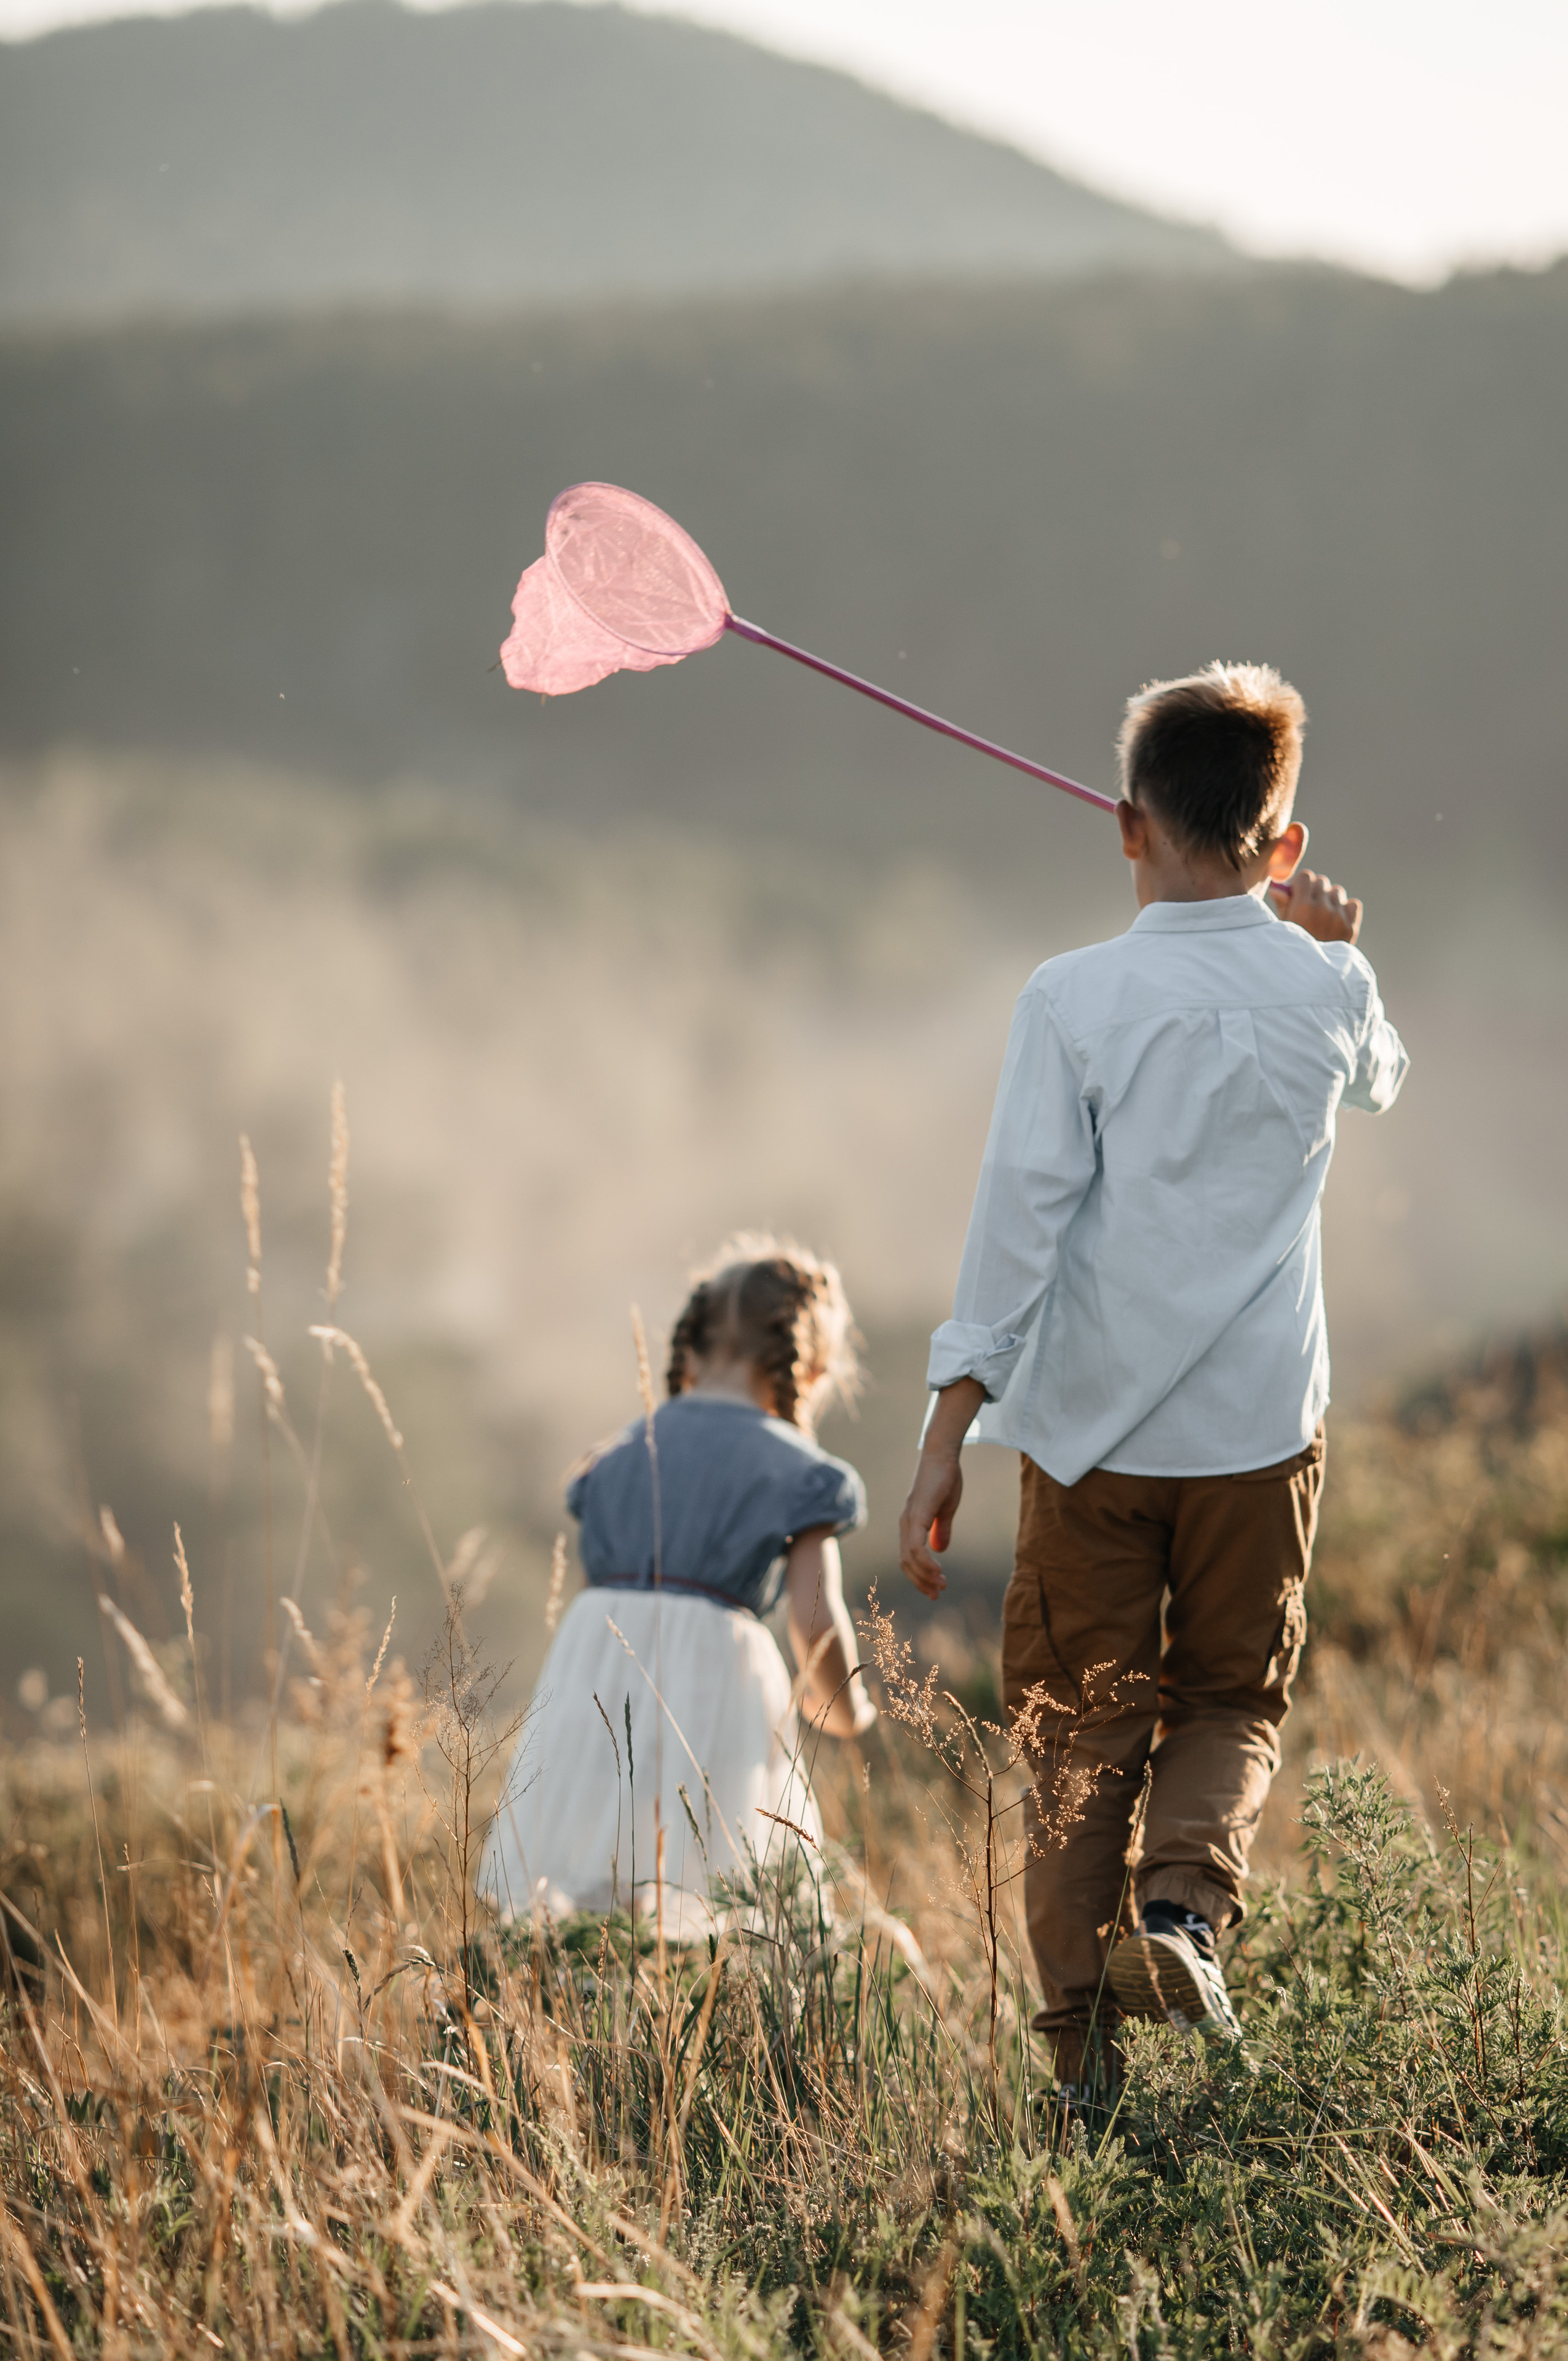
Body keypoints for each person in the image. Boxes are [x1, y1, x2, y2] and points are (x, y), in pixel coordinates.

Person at [898, 662, 1408, 2092]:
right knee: (1228, 1700)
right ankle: (1181, 1908)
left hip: (1090, 1441)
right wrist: (1335, 945)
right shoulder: (1324, 986)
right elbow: (1379, 1073)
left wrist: (946, 1430)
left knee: (1078, 1739)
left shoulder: (1071, 999)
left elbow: (1016, 1222)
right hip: (1258, 1434)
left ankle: (1082, 2075)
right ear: (1284, 844)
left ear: (1126, 826)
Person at [481, 1236, 876, 1941]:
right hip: (717, 1674)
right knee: (718, 1889)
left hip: (596, 1669)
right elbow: (814, 1619)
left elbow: (601, 1592)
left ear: (690, 1348)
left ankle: (579, 1994)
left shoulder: (615, 1456)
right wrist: (845, 1710)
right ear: (811, 1369)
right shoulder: (802, 1472)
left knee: (594, 1882)